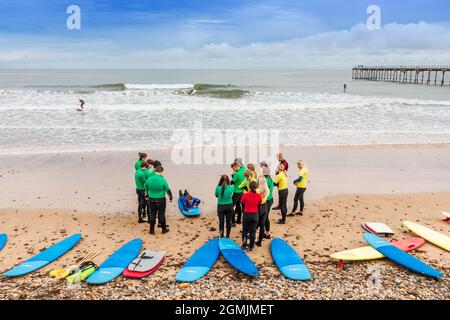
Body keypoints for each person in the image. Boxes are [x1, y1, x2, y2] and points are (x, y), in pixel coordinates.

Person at [144, 165, 173, 235]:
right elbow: (167, 190)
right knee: (161, 215)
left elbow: (146, 187)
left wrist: (146, 195)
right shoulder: (162, 179)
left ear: (155, 170)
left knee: (152, 215)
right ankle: (163, 229)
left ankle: (151, 230)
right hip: (161, 200)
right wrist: (170, 197)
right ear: (161, 171)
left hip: (151, 199)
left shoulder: (149, 178)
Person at [240, 181, 262, 252]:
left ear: (249, 187)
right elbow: (259, 204)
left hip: (247, 214)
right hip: (255, 215)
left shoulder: (245, 195)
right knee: (253, 232)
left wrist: (244, 210)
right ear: (256, 187)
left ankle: (244, 245)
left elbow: (242, 203)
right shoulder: (259, 196)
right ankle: (251, 247)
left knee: (245, 231)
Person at [255, 175, 269, 247]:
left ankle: (253, 237)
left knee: (255, 224)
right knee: (262, 225)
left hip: (258, 208)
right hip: (265, 207)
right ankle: (259, 241)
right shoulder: (267, 190)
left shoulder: (257, 191)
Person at [230, 161, 245, 226]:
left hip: (236, 192)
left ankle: (233, 222)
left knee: (231, 206)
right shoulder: (242, 170)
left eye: (233, 168)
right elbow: (242, 166)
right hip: (241, 191)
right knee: (239, 206)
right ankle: (239, 220)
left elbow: (231, 182)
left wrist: (233, 175)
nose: (232, 169)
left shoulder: (237, 174)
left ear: (236, 167)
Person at [263, 166, 274, 239]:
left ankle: (267, 233)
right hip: (270, 199)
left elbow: (263, 191)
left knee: (265, 216)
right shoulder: (271, 179)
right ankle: (266, 232)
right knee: (265, 216)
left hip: (266, 200)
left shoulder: (266, 180)